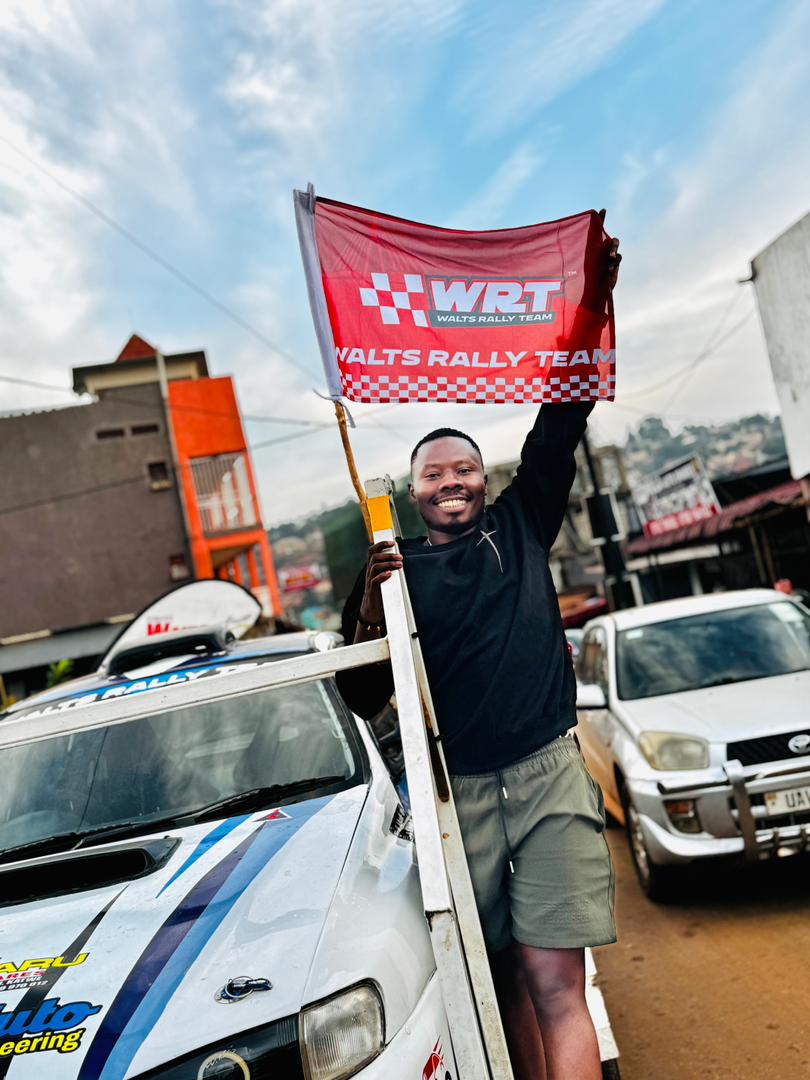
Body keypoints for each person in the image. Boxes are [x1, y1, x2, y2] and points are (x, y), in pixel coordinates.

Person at [337, 239, 620, 1080]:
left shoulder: (524, 523)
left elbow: (562, 410)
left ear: (483, 480)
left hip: (545, 775)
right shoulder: (393, 571)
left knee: (553, 981)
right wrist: (366, 605)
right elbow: (360, 696)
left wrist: (590, 302)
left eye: (465, 466)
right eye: (435, 472)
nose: (452, 479)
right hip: (458, 801)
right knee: (500, 990)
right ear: (414, 491)